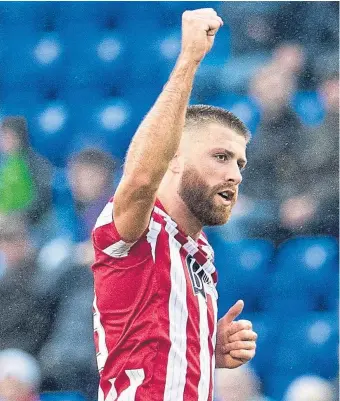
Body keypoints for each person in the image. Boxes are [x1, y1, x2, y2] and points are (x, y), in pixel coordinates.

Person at [92, 9, 257, 401]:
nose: (235, 174)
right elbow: (143, 176)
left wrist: (202, 346)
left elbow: (149, 348)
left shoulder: (200, 253)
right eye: (220, 157)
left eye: (240, 163)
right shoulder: (137, 226)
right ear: (175, 158)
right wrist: (189, 61)